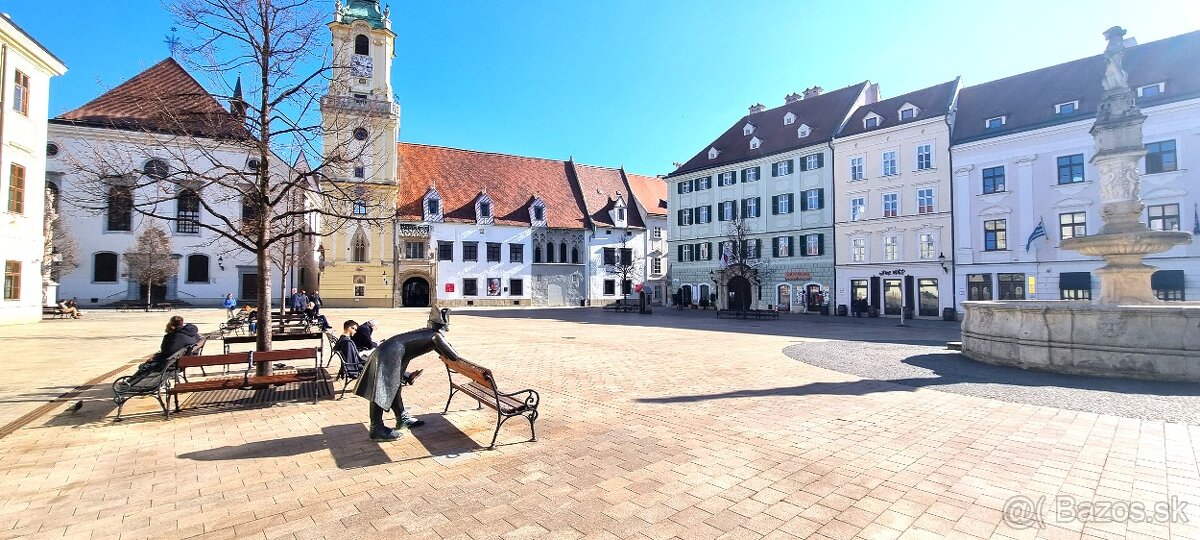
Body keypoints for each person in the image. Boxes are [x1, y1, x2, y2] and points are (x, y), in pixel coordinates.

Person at [353, 306, 466, 442]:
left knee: (392, 388)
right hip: (391, 354)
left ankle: (402, 418)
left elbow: (441, 350)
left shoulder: (429, 333)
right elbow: (453, 356)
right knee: (382, 389)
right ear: (444, 325)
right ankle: (376, 428)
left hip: (391, 351)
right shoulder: (436, 336)